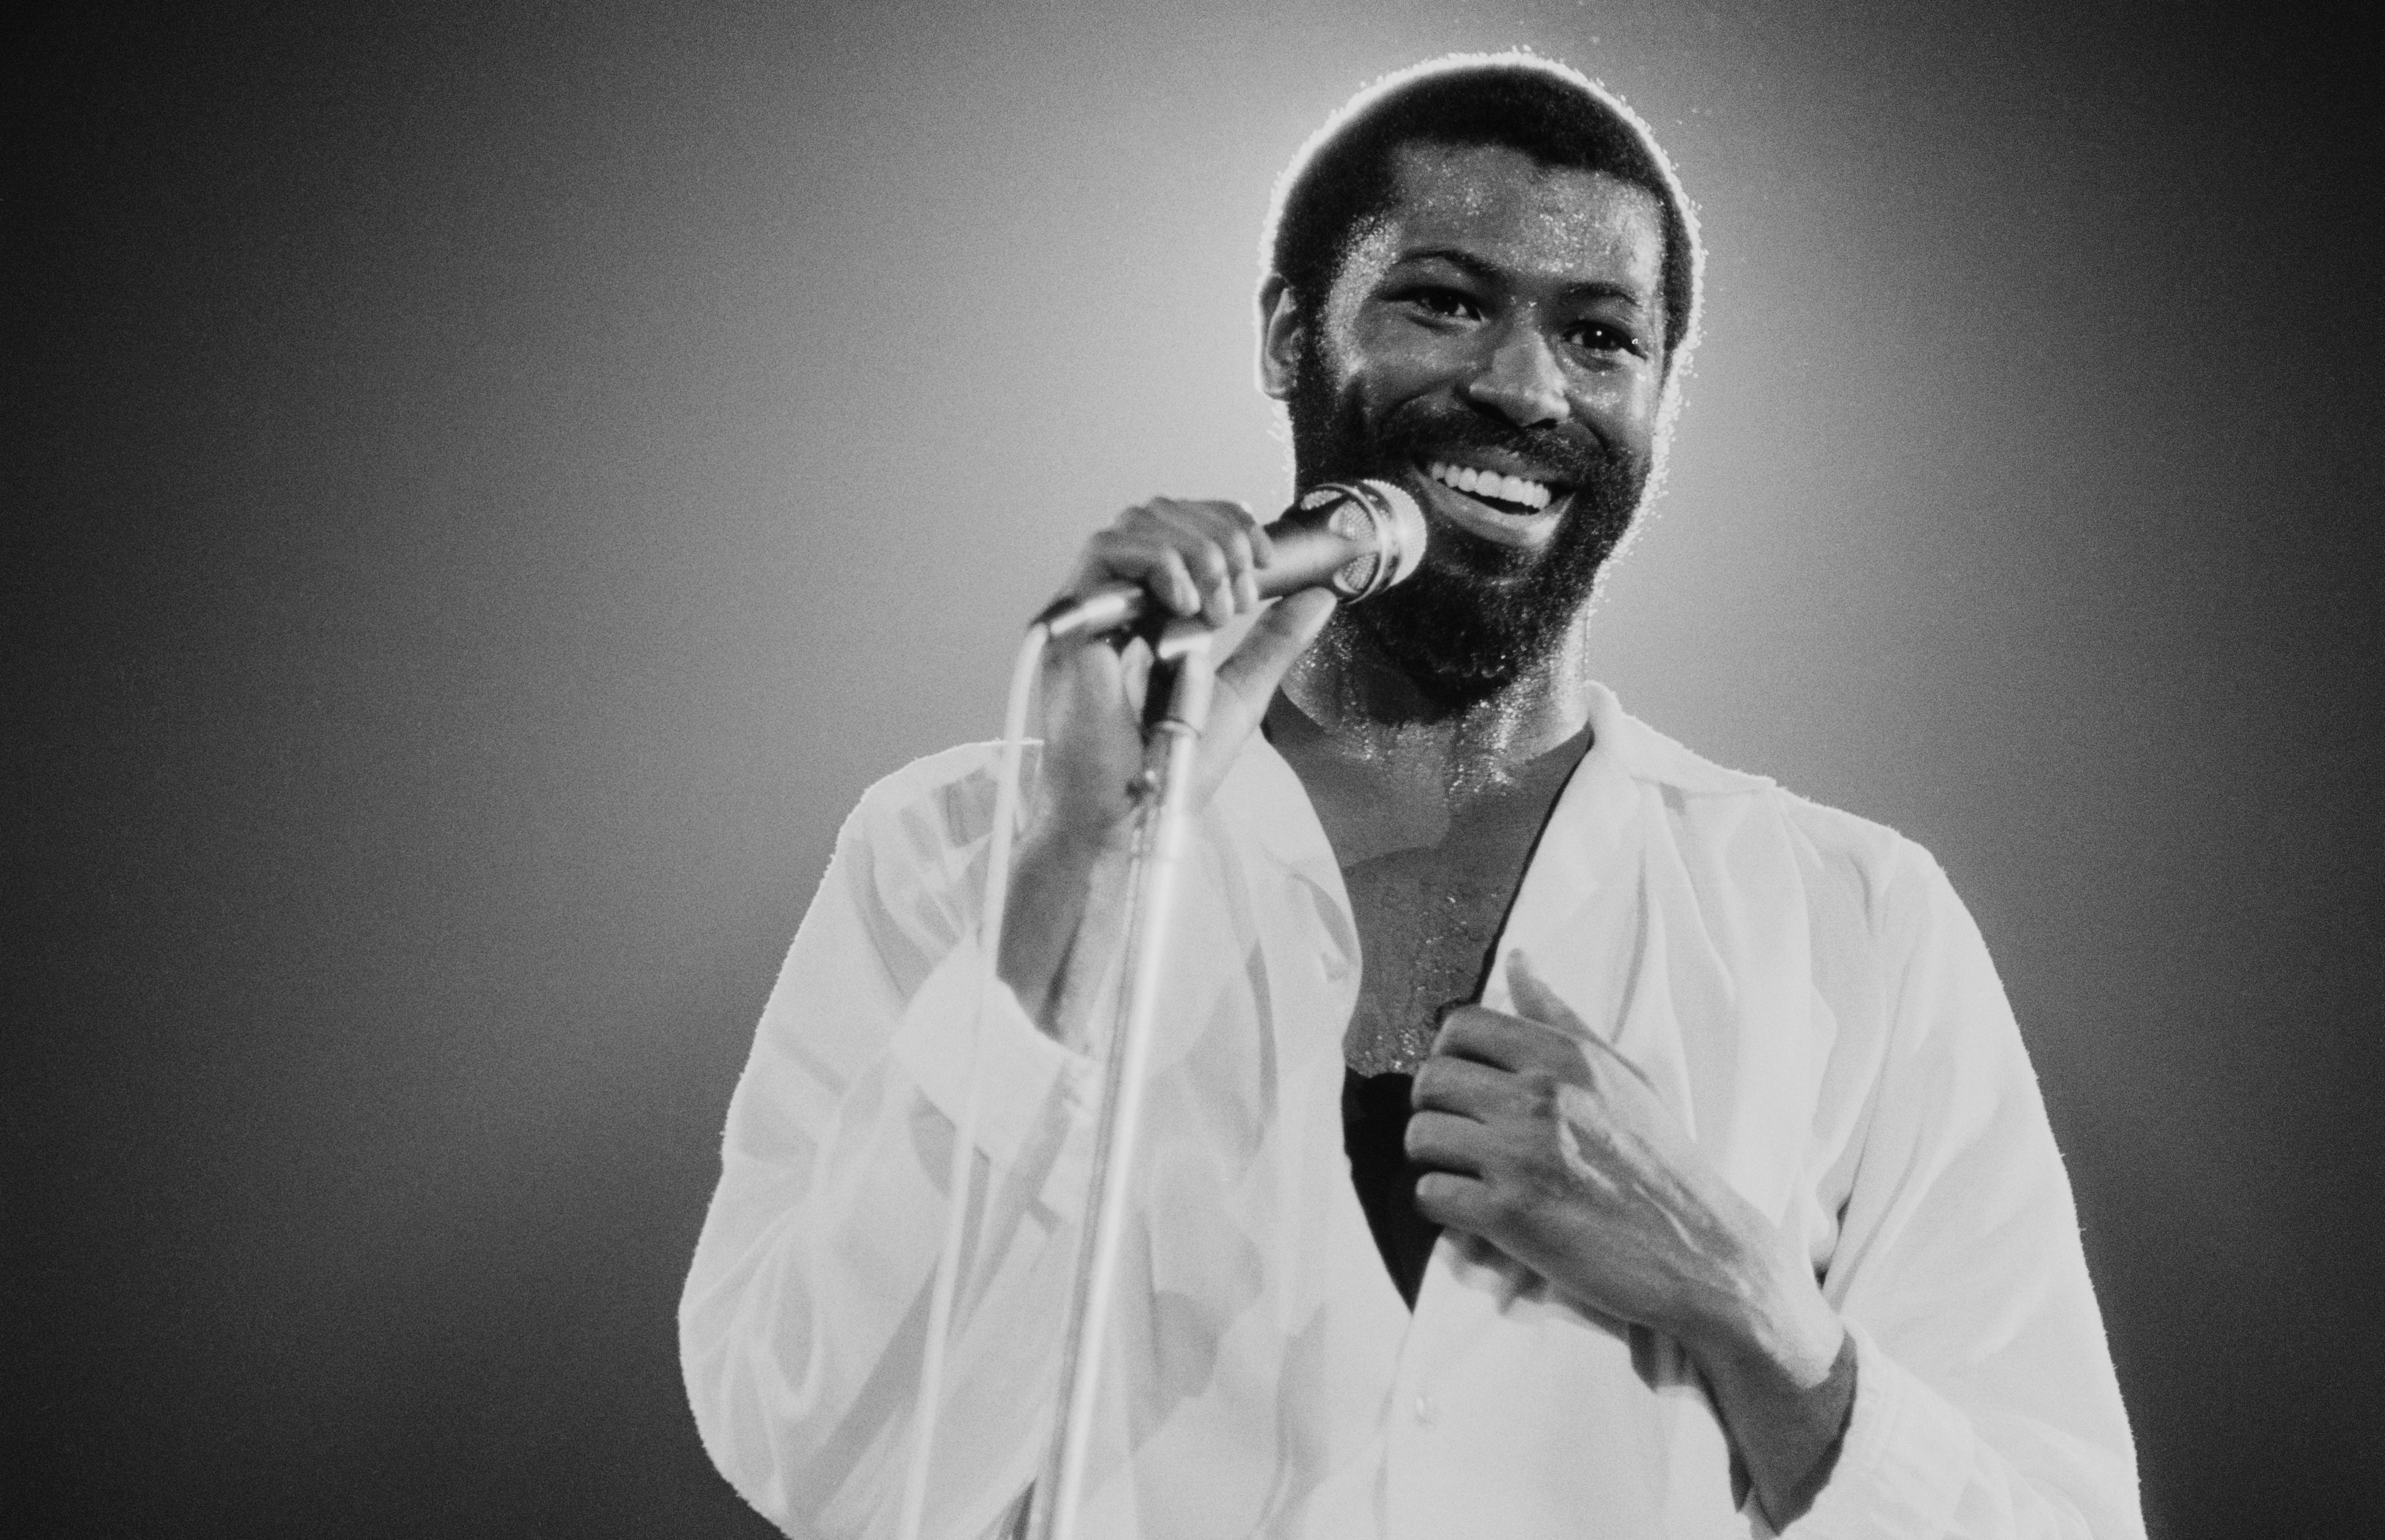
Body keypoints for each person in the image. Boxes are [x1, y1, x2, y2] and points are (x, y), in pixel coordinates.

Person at [680, 53, 2144, 1540]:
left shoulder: (1850, 924)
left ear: (1661, 397)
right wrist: (1088, 863)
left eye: (1598, 336)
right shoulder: (955, 853)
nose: (1522, 387)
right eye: (1444, 301)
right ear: (1285, 336)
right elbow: (818, 1447)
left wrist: (1745, 1296)